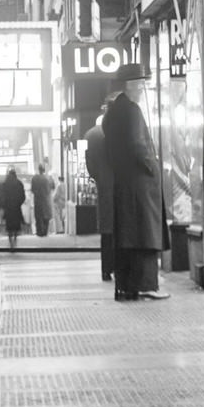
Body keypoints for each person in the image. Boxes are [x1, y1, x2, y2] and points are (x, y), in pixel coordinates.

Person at [102, 63, 170, 301]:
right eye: (142, 84)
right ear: (131, 85)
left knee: (128, 236)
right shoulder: (131, 110)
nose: (144, 89)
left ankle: (127, 285)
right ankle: (146, 285)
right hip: (140, 185)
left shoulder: (112, 112)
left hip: (124, 183)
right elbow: (137, 144)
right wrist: (152, 166)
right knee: (145, 234)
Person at [85, 103, 116, 282]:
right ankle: (119, 267)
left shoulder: (91, 135)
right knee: (120, 230)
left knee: (106, 232)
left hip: (103, 188)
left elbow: (90, 165)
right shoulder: (117, 132)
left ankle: (106, 270)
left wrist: (98, 178)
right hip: (120, 187)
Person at [1, 167, 26, 251]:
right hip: (16, 208)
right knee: (16, 226)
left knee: (9, 227)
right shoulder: (19, 183)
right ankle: (14, 241)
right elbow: (23, 196)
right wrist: (19, 203)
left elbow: (2, 196)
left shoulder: (5, 183)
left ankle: (11, 242)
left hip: (8, 208)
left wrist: (4, 205)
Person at [30, 161, 55, 238]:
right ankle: (45, 231)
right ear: (44, 170)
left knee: (39, 216)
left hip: (37, 200)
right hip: (46, 200)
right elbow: (53, 187)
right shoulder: (48, 178)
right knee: (46, 216)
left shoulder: (34, 178)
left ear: (39, 169)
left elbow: (32, 189)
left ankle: (40, 232)